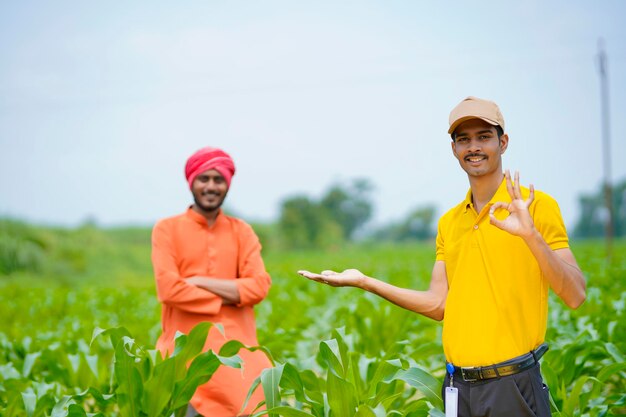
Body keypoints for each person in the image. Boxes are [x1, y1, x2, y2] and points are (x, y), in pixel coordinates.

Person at [299, 96, 586, 417]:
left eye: (484, 137)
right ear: (454, 149)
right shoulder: (449, 223)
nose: (473, 147)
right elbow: (438, 305)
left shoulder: (537, 207)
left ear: (503, 142)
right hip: (458, 388)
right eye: (463, 139)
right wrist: (364, 282)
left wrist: (530, 235)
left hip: (511, 384)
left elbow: (575, 294)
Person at [152, 147, 272, 417]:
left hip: (238, 357)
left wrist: (197, 281)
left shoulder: (242, 231)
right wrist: (234, 294)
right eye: (203, 179)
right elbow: (169, 289)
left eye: (218, 180)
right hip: (185, 355)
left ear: (227, 185)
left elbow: (259, 287)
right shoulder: (166, 229)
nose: (211, 186)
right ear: (191, 182)